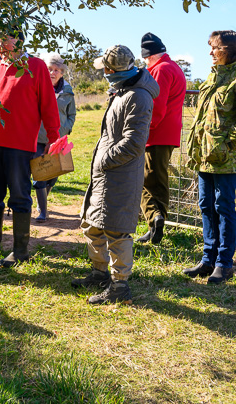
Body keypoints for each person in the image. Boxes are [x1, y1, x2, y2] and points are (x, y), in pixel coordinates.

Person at [0, 28, 61, 267]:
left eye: (3, 40)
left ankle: (20, 251)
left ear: (17, 40)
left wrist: (54, 137)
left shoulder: (36, 66)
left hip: (21, 146)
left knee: (19, 197)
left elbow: (49, 105)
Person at [72, 45, 158, 304]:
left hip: (119, 174)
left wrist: (105, 161)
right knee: (93, 224)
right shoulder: (123, 91)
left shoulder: (138, 97)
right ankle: (100, 273)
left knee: (117, 231)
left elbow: (134, 142)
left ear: (112, 70)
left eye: (105, 69)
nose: (104, 73)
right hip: (107, 175)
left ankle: (119, 287)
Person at [183, 31, 236, 284]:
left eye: (214, 48)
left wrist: (227, 147)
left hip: (226, 158)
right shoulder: (214, 74)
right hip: (204, 155)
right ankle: (208, 260)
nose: (210, 52)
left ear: (228, 49)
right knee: (206, 205)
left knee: (224, 208)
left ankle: (224, 264)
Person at [135, 33, 186, 244]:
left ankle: (155, 218)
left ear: (151, 55)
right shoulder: (173, 67)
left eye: (145, 58)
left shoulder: (160, 70)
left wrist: (144, 129)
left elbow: (156, 105)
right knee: (158, 179)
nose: (145, 62)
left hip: (156, 132)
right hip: (168, 132)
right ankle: (156, 224)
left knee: (144, 179)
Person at [32, 52, 77, 222]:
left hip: (58, 139)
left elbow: (71, 114)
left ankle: (42, 201)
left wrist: (66, 128)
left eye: (56, 70)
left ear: (62, 72)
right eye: (49, 69)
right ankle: (43, 211)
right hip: (38, 137)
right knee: (40, 173)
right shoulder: (37, 86)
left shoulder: (67, 91)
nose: (52, 73)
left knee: (53, 174)